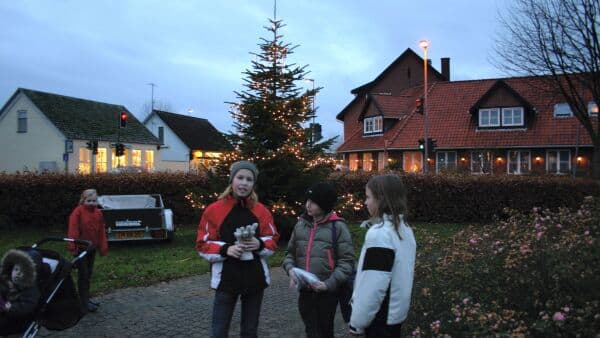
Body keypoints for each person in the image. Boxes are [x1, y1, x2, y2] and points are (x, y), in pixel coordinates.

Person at [196, 160, 279, 338]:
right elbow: (202, 244)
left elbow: (273, 240)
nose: (243, 183)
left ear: (253, 184)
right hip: (226, 280)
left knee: (249, 332)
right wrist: (226, 249)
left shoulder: (262, 211)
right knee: (219, 331)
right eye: (240, 177)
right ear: (232, 180)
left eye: (249, 179)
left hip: (254, 279)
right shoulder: (214, 210)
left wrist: (260, 244)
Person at [282, 182, 355, 338]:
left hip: (326, 293)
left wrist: (328, 284)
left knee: (324, 330)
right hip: (305, 291)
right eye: (307, 200)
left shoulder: (338, 228)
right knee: (311, 330)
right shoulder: (300, 225)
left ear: (324, 203)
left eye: (313, 201)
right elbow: (289, 254)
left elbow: (346, 262)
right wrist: (290, 270)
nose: (308, 205)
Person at [348, 174, 417, 337]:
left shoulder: (380, 235)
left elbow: (373, 284)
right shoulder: (405, 230)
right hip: (394, 316)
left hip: (378, 319)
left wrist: (357, 322)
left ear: (380, 199)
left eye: (368, 197)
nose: (365, 202)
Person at [67, 188, 109, 313]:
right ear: (83, 200)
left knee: (88, 274)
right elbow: (73, 230)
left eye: (94, 201)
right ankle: (83, 302)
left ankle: (86, 299)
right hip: (81, 249)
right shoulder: (78, 212)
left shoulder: (98, 213)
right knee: (83, 275)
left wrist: (102, 246)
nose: (91, 203)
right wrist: (73, 247)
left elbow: (101, 231)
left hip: (92, 249)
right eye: (89, 200)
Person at [0, 249, 41, 335]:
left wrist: (10, 308)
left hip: (15, 319)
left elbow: (27, 307)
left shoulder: (31, 290)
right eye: (16, 269)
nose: (18, 273)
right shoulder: (6, 280)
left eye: (23, 271)